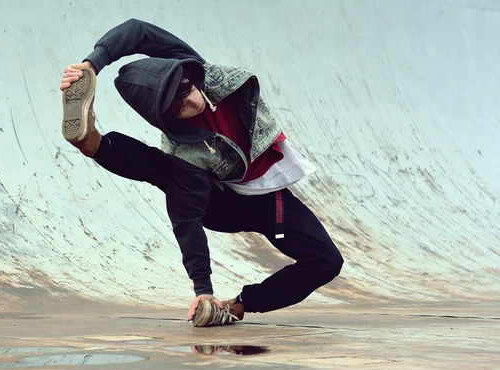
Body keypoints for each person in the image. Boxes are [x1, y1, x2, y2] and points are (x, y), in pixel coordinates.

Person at [59, 19, 343, 327]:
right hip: (221, 204)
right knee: (165, 169)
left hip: (269, 198)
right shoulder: (185, 154)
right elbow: (187, 221)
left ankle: (237, 307)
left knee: (326, 261)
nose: (194, 100)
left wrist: (91, 64)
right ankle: (93, 142)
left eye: (188, 88)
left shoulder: (196, 70)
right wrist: (203, 290)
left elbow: (137, 31)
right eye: (180, 105)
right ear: (165, 117)